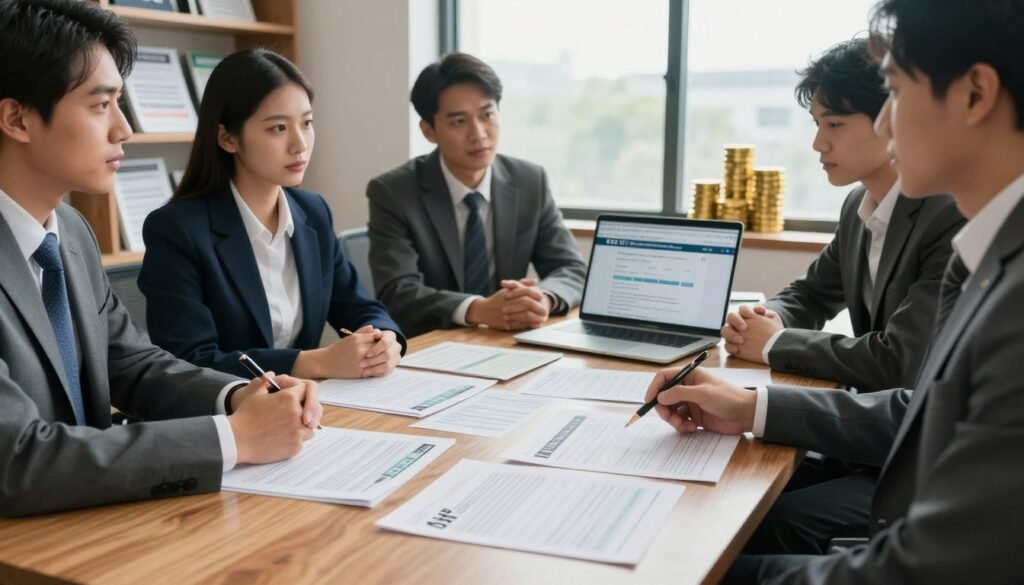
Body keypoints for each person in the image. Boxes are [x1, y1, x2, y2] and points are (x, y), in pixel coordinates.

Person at [647, 0, 1024, 581]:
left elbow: (941, 560)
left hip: (906, 510)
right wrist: (749, 401)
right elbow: (919, 414)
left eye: (895, 93)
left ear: (975, 94)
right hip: (891, 471)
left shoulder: (991, 267)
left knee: (699, 542)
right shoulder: (985, 248)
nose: (884, 124)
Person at [0, 0, 321, 517]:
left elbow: (132, 363)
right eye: (100, 105)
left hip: (92, 519)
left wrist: (239, 396)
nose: (124, 129)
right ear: (17, 118)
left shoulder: (73, 232)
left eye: (120, 104)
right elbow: (15, 460)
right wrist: (232, 438)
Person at [139, 49, 405, 380]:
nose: (300, 145)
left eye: (307, 123)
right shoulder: (178, 230)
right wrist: (316, 362)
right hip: (228, 420)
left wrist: (385, 339)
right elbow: (190, 361)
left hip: (307, 411)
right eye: (278, 128)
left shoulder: (312, 212)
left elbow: (359, 306)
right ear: (228, 138)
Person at [721, 38, 963, 394]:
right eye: (816, 124)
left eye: (834, 125)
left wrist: (775, 343)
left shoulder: (948, 213)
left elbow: (900, 362)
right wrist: (760, 321)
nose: (818, 143)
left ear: (890, 119)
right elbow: (810, 295)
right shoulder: (857, 206)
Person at [366, 52, 587, 338]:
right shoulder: (394, 192)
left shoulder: (530, 181)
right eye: (459, 121)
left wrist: (542, 298)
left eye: (487, 114)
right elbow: (398, 291)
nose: (479, 134)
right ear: (429, 130)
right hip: (434, 348)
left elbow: (571, 267)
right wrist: (478, 309)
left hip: (508, 342)